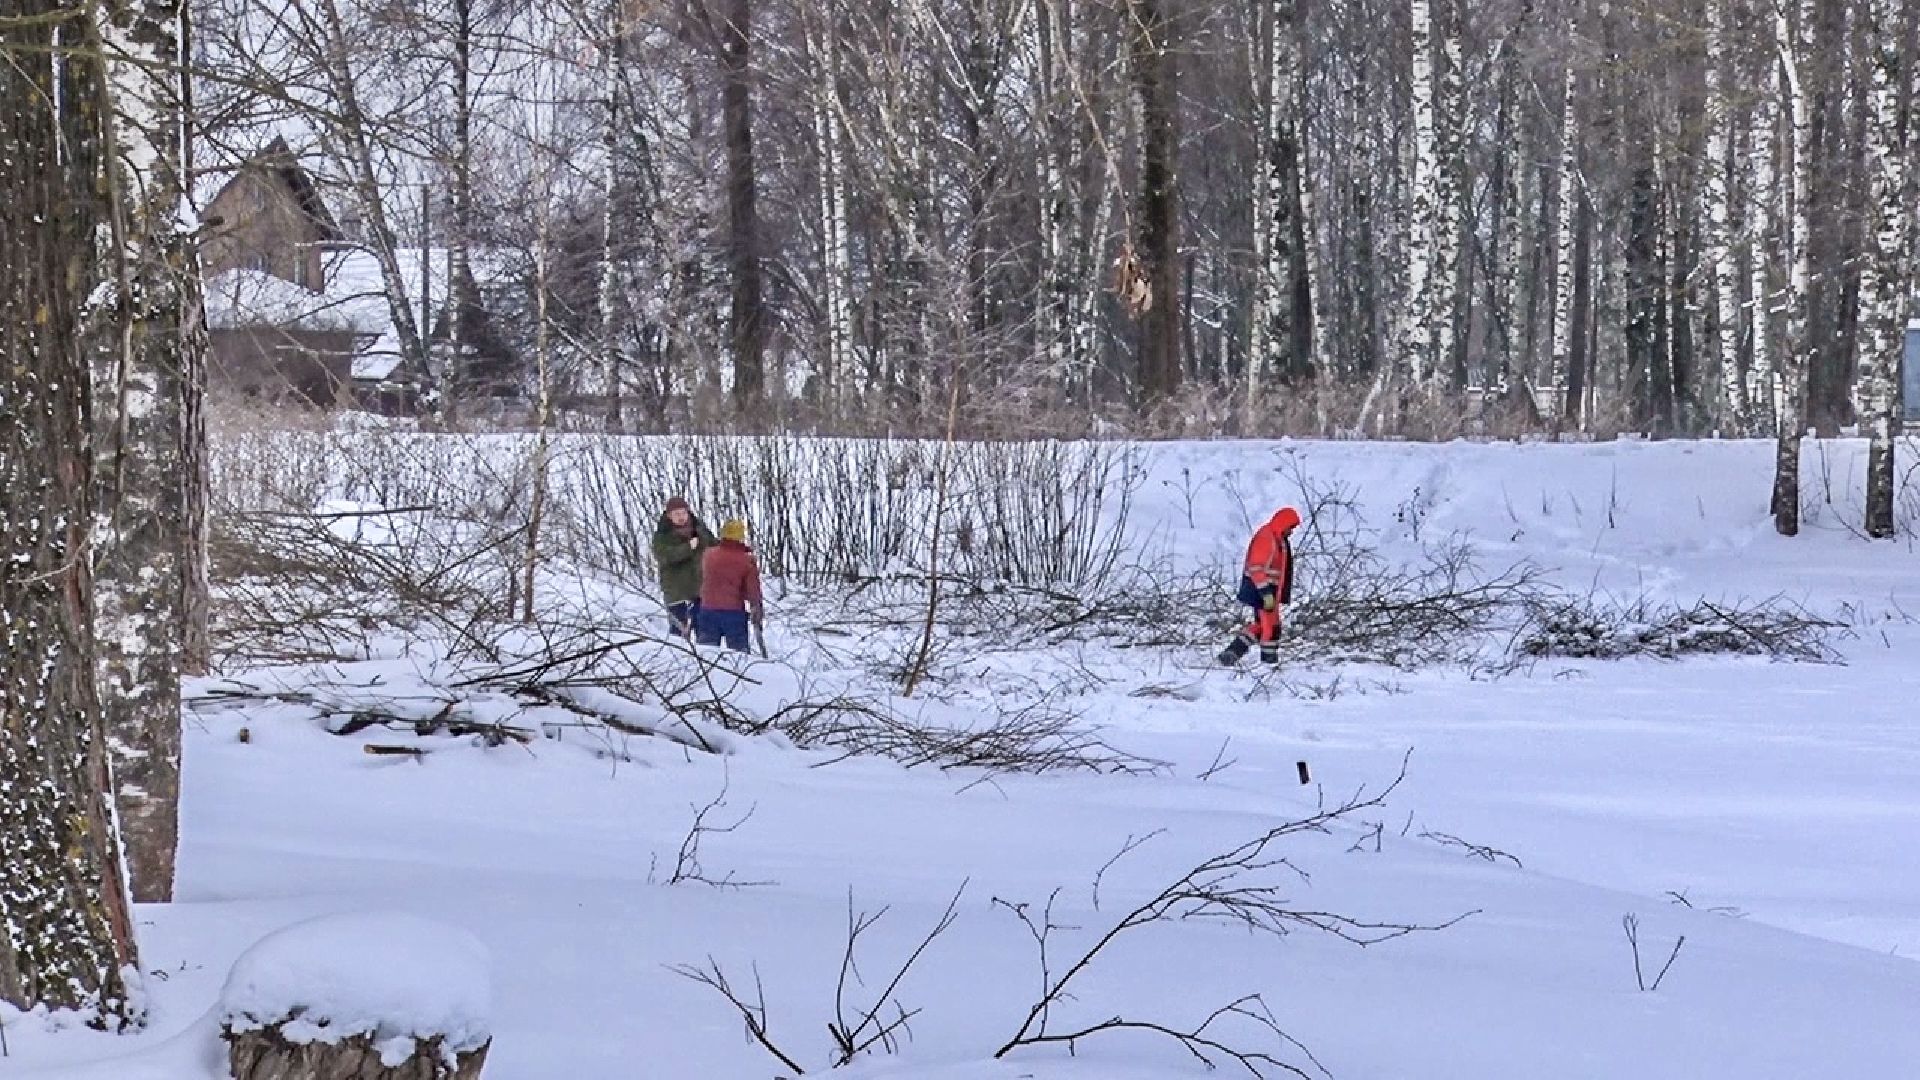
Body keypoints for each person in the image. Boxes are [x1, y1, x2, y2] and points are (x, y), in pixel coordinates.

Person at [1219, 506, 1301, 666]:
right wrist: (1265, 593)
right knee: (1271, 628)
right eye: (1291, 527)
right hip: (1263, 591)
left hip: (1268, 592)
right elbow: (1256, 567)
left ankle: (1232, 653)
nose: (1291, 532)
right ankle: (1268, 664)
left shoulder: (1277, 538)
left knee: (1261, 626)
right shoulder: (1268, 538)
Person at [696, 519, 765, 653]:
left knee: (705, 654)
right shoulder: (747, 560)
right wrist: (756, 609)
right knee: (739, 654)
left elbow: (703, 578)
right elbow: (752, 590)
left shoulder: (708, 555)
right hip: (733, 612)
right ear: (741, 537)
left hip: (707, 609)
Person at [652, 496, 716, 637]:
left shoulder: (700, 530)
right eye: (676, 514)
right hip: (676, 593)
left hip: (700, 590)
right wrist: (688, 548)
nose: (681, 517)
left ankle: (702, 658)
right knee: (679, 633)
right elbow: (665, 556)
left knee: (704, 632)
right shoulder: (662, 536)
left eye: (683, 513)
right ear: (669, 516)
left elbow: (715, 548)